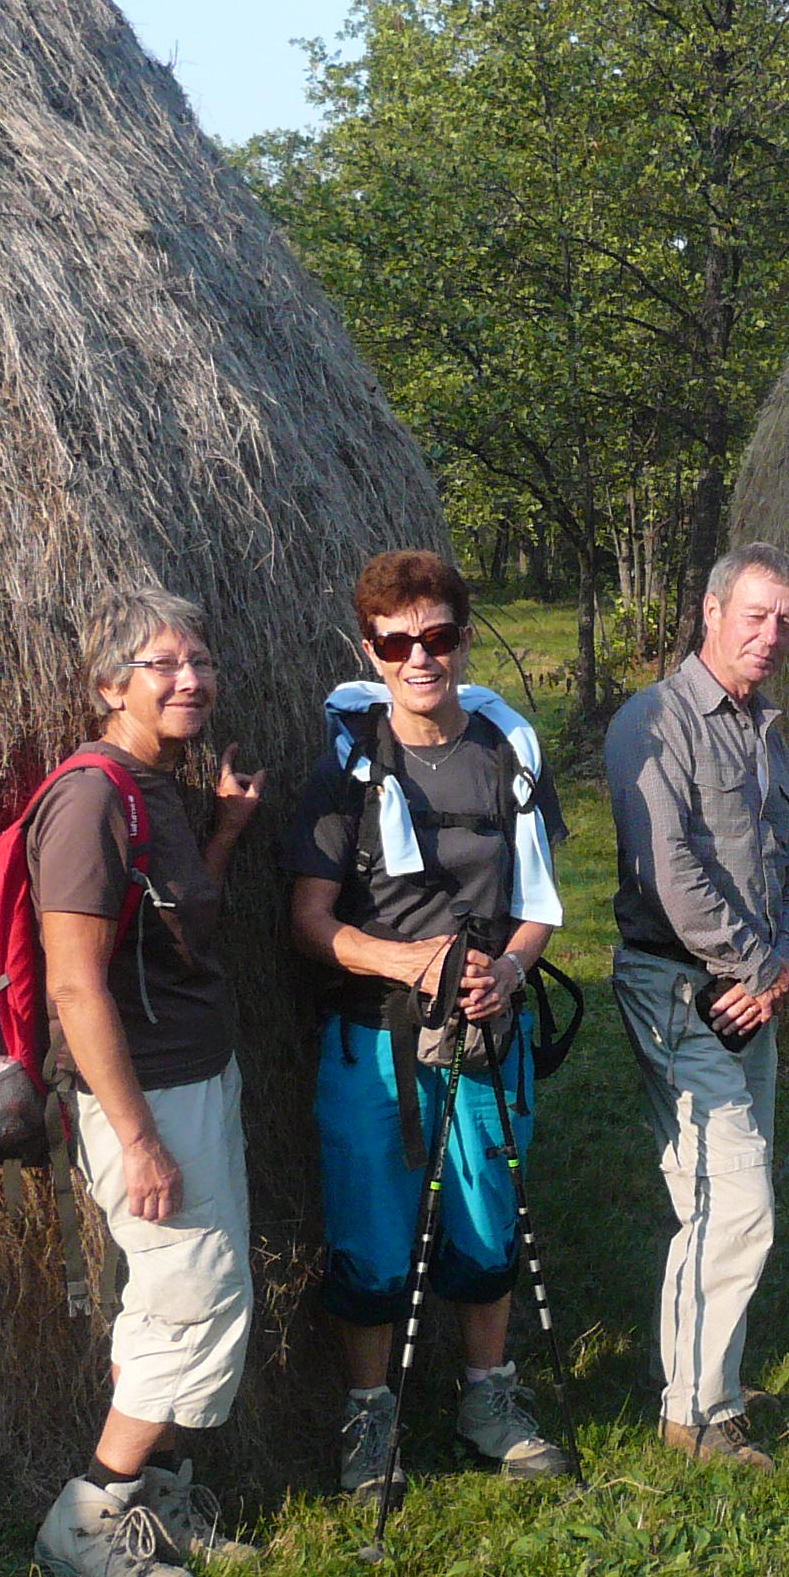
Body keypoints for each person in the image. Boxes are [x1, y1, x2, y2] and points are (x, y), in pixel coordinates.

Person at [289, 550, 570, 1499]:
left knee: (490, 1218)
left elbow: (539, 904)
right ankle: (370, 1418)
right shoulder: (345, 770)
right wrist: (404, 959)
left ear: (462, 636)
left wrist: (510, 970)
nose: (421, 658)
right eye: (398, 640)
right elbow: (311, 921)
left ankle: (487, 1397)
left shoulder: (508, 754)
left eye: (438, 637)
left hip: (488, 1028)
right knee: (372, 1230)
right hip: (374, 1033)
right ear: (369, 649)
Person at [30, 587, 265, 1577]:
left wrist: (225, 833)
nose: (189, 680)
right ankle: (87, 1515)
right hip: (147, 1097)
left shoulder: (156, 785)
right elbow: (74, 982)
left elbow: (175, 934)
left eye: (199, 660)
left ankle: (156, 1496)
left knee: (193, 1292)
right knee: (185, 1299)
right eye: (162, 664)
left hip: (194, 1074)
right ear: (107, 685)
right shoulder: (88, 800)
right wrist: (138, 1138)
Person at [604, 545, 789, 1470]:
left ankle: (711, 1379)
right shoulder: (653, 723)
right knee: (731, 1201)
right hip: (680, 993)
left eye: (785, 620)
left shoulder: (760, 726)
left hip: (752, 993)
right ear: (711, 609)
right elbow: (672, 875)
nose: (770, 635)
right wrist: (758, 966)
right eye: (755, 614)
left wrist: (785, 962)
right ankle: (696, 1413)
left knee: (734, 1196)